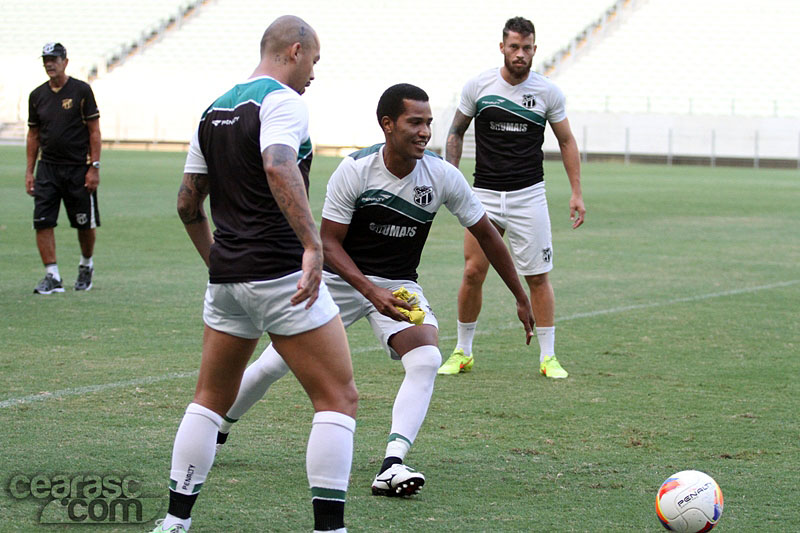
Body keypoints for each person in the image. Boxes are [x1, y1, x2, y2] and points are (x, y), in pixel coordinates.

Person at [212, 83, 535, 498]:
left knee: (426, 358)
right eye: (414, 122)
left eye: (429, 123)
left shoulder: (441, 175)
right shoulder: (355, 169)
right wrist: (370, 292)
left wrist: (519, 294)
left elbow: (488, 235)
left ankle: (392, 463)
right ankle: (218, 427)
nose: (424, 132)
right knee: (275, 365)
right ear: (387, 124)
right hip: (338, 280)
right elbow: (327, 243)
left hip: (397, 285)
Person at [149, 16, 358, 533]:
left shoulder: (213, 109)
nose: (313, 73)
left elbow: (186, 204)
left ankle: (176, 521)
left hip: (228, 278)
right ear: (295, 50)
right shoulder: (284, 102)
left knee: (209, 398)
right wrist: (312, 245)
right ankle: (330, 529)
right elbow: (278, 165)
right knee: (338, 398)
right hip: (281, 273)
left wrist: (220, 259)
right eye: (314, 60)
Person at [438, 16, 586, 379]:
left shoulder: (548, 92)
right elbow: (455, 131)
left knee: (537, 277)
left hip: (528, 196)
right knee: (473, 272)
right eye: (514, 47)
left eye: (527, 48)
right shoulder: (479, 86)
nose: (521, 54)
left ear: (535, 49)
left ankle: (548, 357)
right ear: (502, 47)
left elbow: (566, 141)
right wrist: (450, 176)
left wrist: (576, 192)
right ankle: (463, 351)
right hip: (483, 195)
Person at [26, 42, 101, 294]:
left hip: (78, 168)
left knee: (83, 223)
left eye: (54, 59)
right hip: (47, 168)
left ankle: (86, 265)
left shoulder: (81, 91)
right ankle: (52, 275)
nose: (49, 64)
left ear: (65, 62)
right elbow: (33, 135)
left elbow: (94, 131)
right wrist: (29, 171)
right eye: (46, 59)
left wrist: (94, 167)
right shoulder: (37, 96)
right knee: (42, 221)